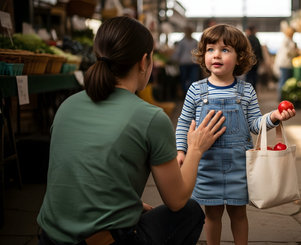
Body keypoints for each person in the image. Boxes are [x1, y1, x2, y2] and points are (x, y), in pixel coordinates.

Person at [36, 16, 226, 245]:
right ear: (144, 61)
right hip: (105, 241)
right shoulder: (150, 117)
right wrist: (195, 148)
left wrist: (130, 206)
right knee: (190, 212)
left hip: (48, 238)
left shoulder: (67, 105)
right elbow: (176, 200)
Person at [175, 24, 296, 245]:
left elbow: (254, 124)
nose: (216, 55)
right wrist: (181, 150)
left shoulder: (246, 90)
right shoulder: (195, 90)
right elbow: (184, 123)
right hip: (207, 165)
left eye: (225, 50)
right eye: (210, 49)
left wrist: (274, 117)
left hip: (239, 165)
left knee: (239, 214)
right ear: (203, 56)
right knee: (212, 215)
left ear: (240, 58)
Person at [171, 25, 200, 94]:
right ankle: (187, 94)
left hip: (192, 63)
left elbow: (178, 52)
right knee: (185, 80)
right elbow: (178, 52)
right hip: (185, 63)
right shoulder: (182, 42)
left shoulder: (195, 42)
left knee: (192, 80)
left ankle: (190, 94)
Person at [273, 26, 298, 100]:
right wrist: (295, 52)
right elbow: (288, 52)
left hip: (286, 63)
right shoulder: (286, 40)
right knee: (283, 81)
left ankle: (282, 97)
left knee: (283, 81)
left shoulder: (289, 40)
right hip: (285, 64)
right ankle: (281, 97)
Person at [245, 25, 264, 90]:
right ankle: (253, 93)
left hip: (248, 62)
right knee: (254, 78)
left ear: (249, 31)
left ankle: (247, 93)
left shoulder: (247, 39)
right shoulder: (256, 39)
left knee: (248, 78)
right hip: (256, 62)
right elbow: (260, 51)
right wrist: (261, 60)